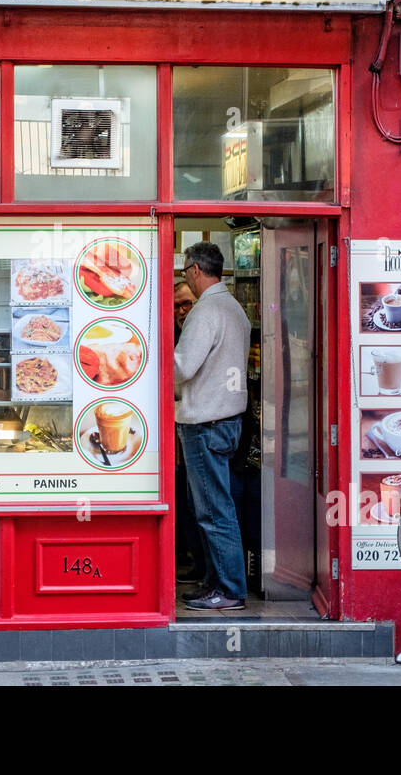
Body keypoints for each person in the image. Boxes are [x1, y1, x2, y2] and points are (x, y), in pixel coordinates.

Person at [174, 241, 251, 610]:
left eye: (185, 271)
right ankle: (216, 581)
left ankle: (229, 589)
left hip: (206, 421)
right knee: (215, 505)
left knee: (212, 509)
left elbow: (182, 367)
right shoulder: (233, 307)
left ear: (194, 270)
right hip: (227, 419)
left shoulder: (206, 312)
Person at [172, 279, 206, 584]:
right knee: (184, 493)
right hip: (178, 425)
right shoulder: (172, 335)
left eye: (186, 304)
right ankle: (190, 558)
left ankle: (203, 565)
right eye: (176, 307)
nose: (181, 311)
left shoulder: (201, 330)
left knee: (201, 500)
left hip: (199, 424)